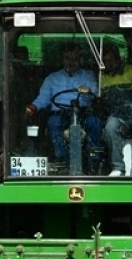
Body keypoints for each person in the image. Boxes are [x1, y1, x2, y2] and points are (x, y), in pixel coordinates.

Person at [26, 43, 101, 174]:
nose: (71, 62)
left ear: (80, 59)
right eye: (68, 58)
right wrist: (33, 107)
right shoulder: (52, 78)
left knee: (94, 122)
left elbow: (96, 93)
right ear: (62, 59)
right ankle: (62, 160)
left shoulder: (88, 76)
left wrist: (89, 91)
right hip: (60, 113)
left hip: (83, 111)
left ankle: (93, 159)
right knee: (53, 123)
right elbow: (43, 98)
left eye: (75, 58)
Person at [100, 42, 132, 176]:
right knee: (110, 128)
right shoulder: (101, 76)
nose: (109, 63)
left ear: (118, 57)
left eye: (111, 59)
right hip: (115, 114)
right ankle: (118, 167)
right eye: (105, 61)